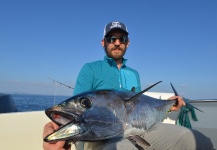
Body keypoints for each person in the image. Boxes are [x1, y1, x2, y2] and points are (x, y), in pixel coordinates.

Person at [43, 21, 213, 150]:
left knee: (198, 141)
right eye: (111, 38)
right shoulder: (90, 69)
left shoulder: (134, 74)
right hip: (102, 138)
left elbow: (142, 109)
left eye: (121, 39)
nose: (117, 42)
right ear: (103, 42)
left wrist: (169, 106)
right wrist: (52, 127)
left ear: (127, 43)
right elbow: (77, 113)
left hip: (140, 131)